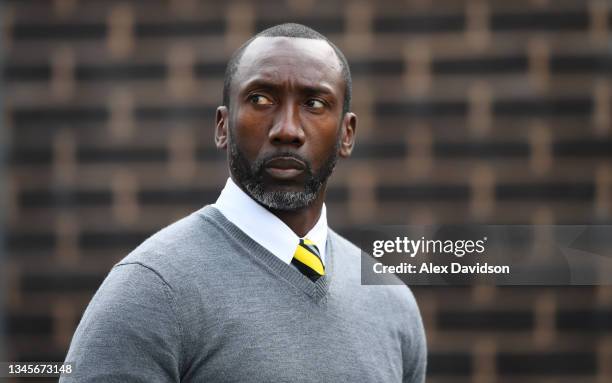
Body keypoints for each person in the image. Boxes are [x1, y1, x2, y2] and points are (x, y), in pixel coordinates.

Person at [61, 23, 427, 382]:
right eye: (261, 99)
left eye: (314, 103)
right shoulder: (152, 290)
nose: (287, 129)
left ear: (346, 134)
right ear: (223, 126)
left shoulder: (391, 303)